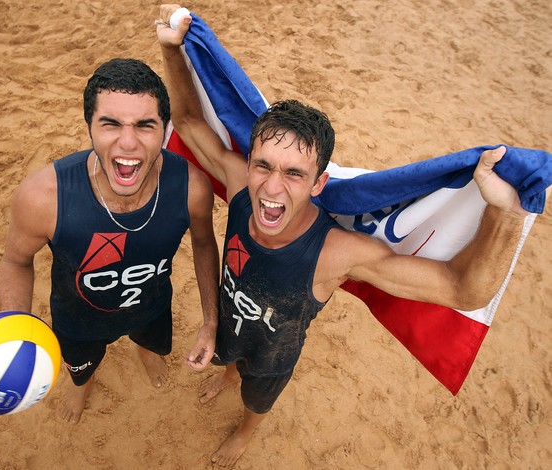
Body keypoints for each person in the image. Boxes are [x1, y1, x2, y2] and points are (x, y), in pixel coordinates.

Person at [156, 5, 549, 467]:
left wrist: (504, 213)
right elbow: (188, 123)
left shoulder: (337, 253)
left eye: (295, 174)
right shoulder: (241, 184)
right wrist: (173, 50)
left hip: (275, 351)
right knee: (228, 357)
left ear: (319, 184)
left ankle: (245, 431)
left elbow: (464, 290)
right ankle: (226, 374)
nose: (272, 188)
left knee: (258, 398)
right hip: (229, 317)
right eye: (263, 165)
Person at [0, 58, 220, 424]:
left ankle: (144, 350)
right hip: (77, 320)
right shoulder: (44, 196)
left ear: (164, 131)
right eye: (110, 124)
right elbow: (15, 262)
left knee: (151, 342)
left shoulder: (191, 188)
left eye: (145, 125)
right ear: (90, 127)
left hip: (151, 306)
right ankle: (82, 384)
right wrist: (16, 329)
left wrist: (211, 321)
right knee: (80, 369)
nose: (127, 142)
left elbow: (205, 244)